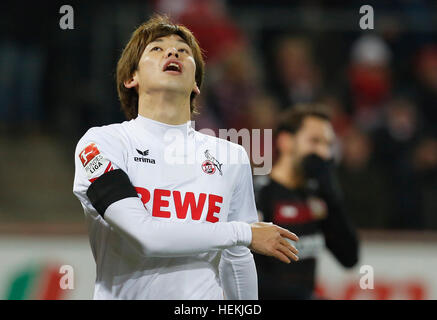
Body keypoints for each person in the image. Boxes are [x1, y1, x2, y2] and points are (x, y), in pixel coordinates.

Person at [72, 14, 299, 300]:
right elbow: (145, 236)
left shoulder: (231, 155)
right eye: (156, 48)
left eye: (184, 50)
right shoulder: (103, 144)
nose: (173, 52)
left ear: (196, 84)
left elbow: (237, 260)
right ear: (132, 78)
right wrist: (244, 232)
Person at [254, 104, 359, 299]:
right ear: (285, 142)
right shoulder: (259, 194)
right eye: (315, 141)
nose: (324, 153)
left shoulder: (317, 196)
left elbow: (349, 257)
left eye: (328, 145)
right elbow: (244, 273)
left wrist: (331, 196)